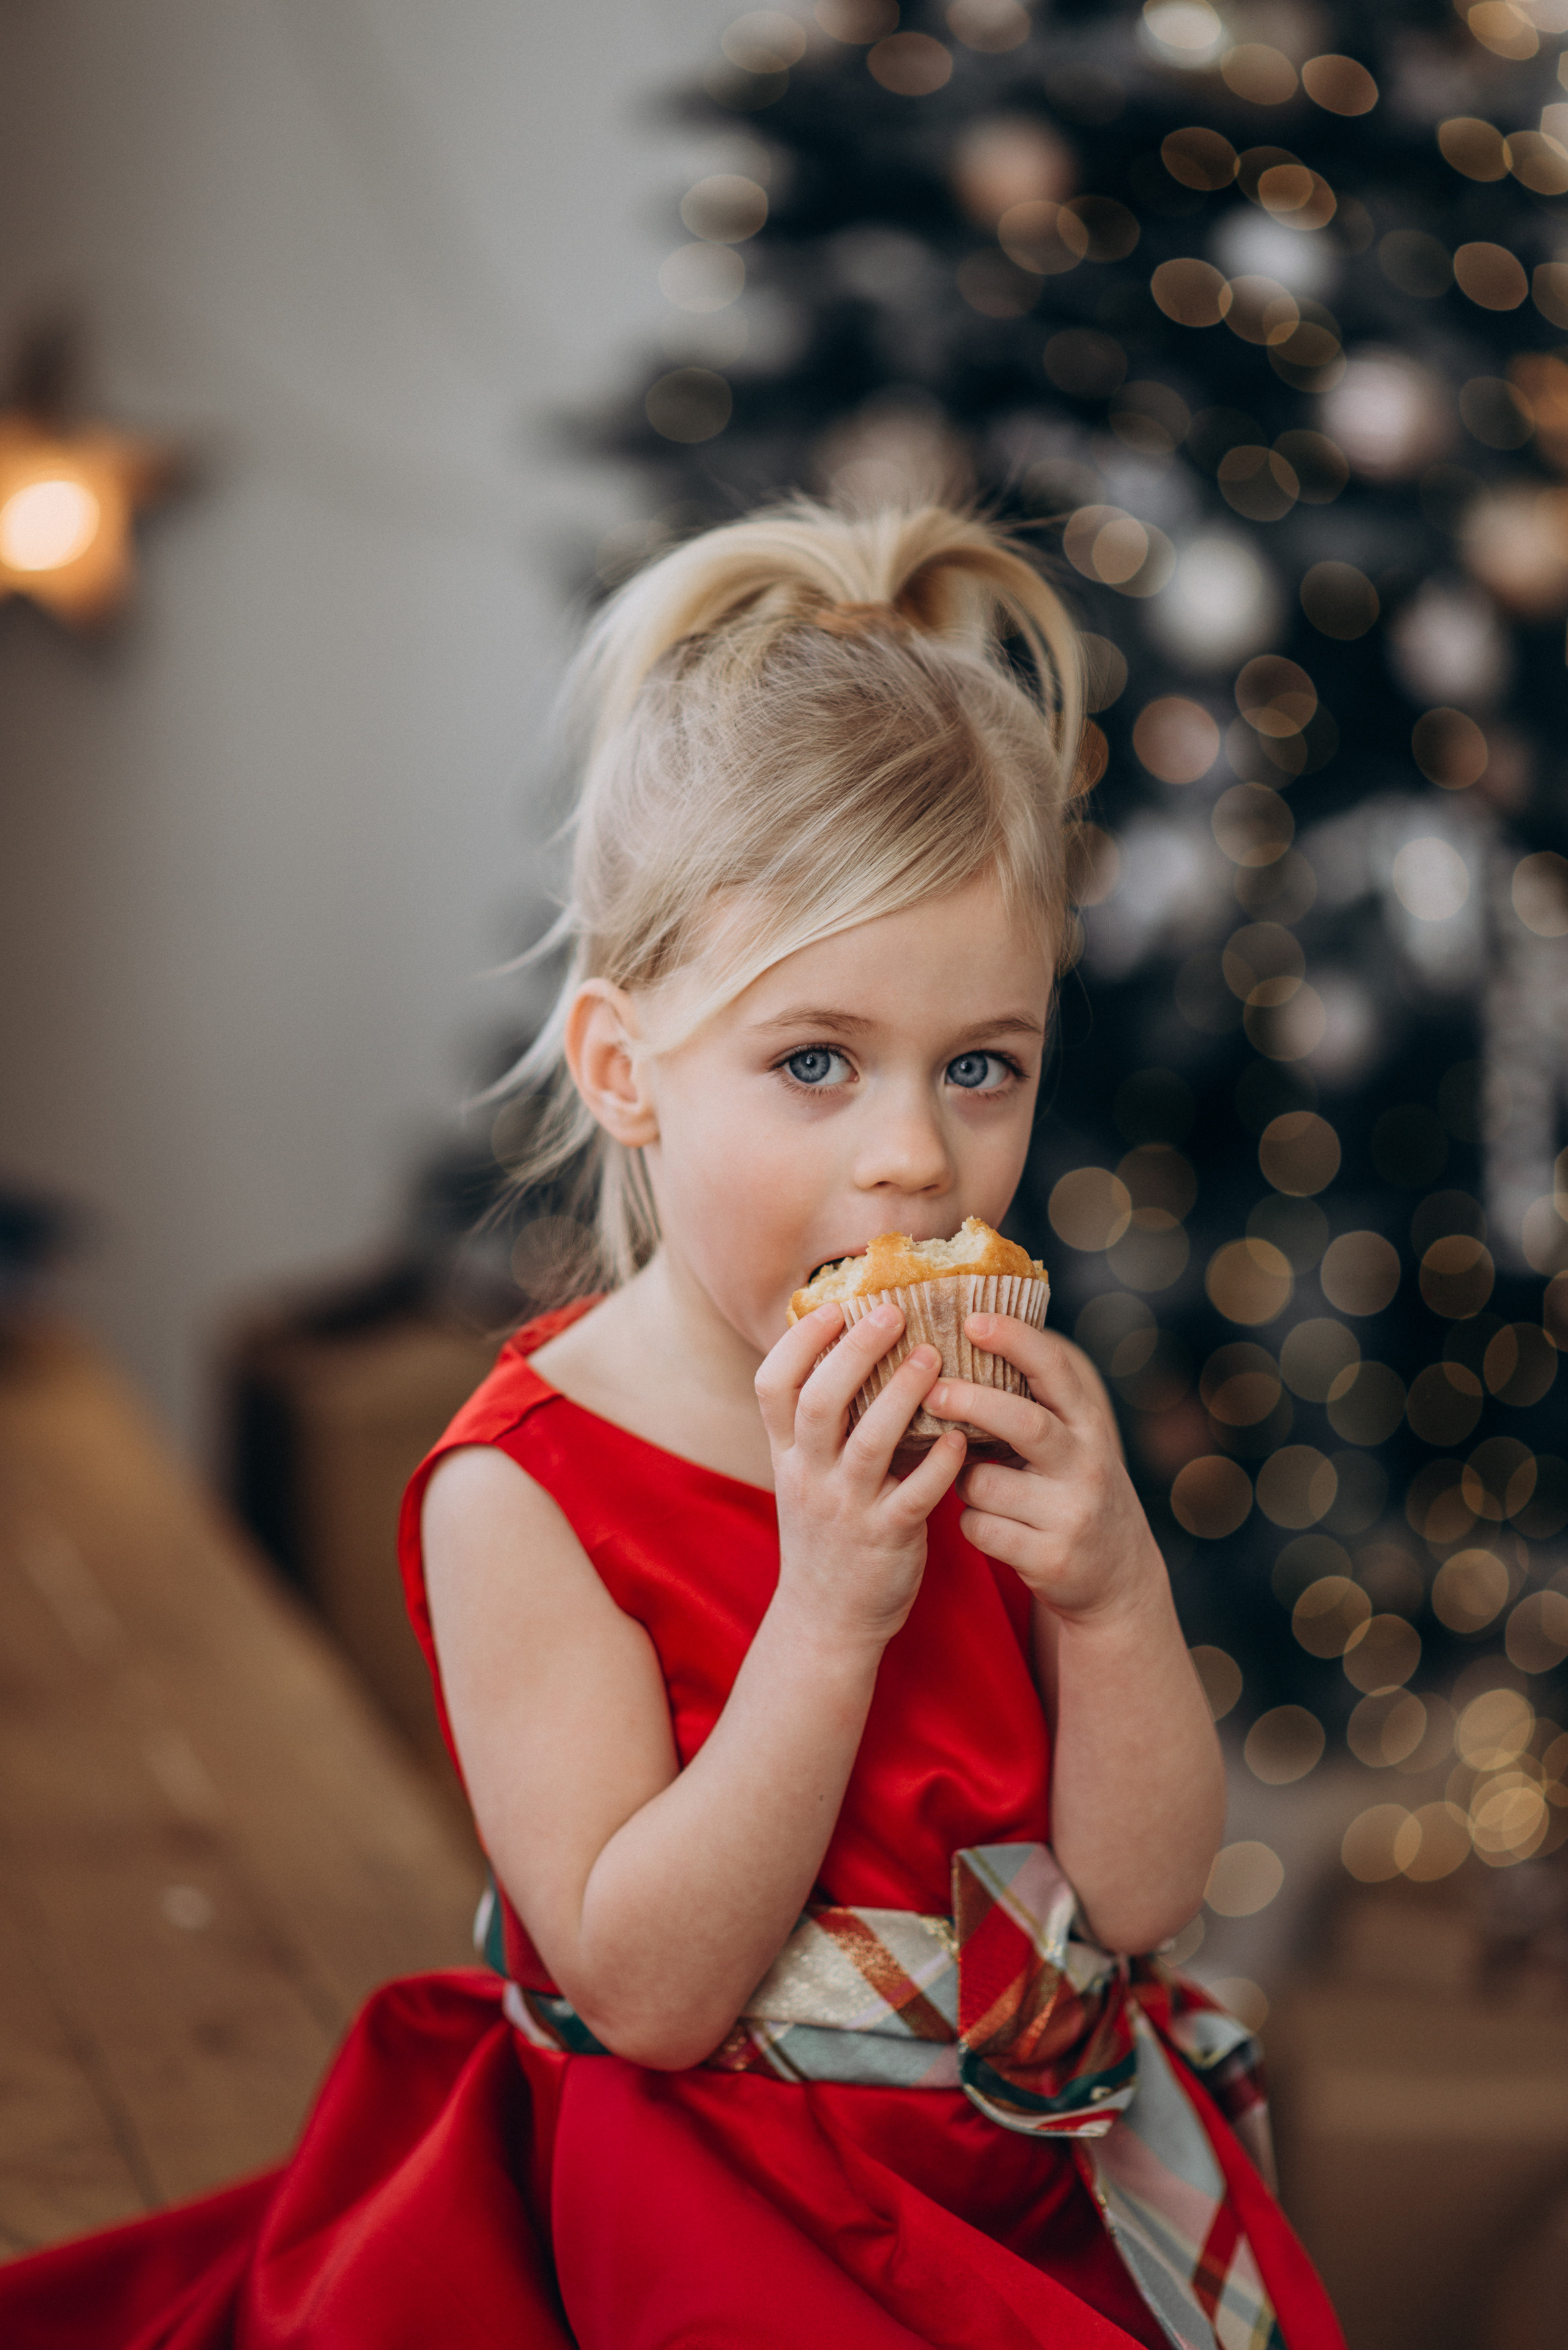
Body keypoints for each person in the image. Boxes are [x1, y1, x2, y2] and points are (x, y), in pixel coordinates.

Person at [0, 500, 1344, 2349]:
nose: (912, 1152)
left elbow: (1139, 1889)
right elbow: (642, 1981)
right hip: (719, 2198)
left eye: (983, 1064)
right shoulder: (526, 1486)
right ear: (626, 1067)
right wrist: (832, 1609)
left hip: (1030, 2179)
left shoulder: (1009, 1425)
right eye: (815, 1060)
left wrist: (1113, 1601)